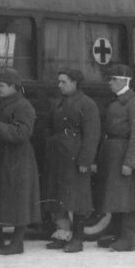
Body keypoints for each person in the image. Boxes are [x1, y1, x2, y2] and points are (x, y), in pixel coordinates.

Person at [42, 68, 100, 254]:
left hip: (75, 157)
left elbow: (92, 135)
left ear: (75, 83)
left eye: (63, 82)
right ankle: (62, 234)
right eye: (59, 81)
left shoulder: (87, 104)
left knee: (78, 198)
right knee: (58, 196)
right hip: (58, 155)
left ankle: (78, 238)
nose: (59, 85)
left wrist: (85, 160)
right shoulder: (59, 102)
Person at [0, 67, 41, 256]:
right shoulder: (5, 103)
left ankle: (17, 243)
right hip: (5, 156)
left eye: (1, 86)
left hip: (18, 158)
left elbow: (22, 133)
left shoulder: (23, 106)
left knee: (19, 200)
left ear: (13, 87)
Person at [95, 64, 135, 252]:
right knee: (117, 198)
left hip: (125, 156)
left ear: (123, 81)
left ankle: (128, 239)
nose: (109, 83)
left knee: (128, 199)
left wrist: (130, 162)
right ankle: (118, 235)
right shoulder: (116, 103)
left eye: (113, 79)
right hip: (114, 156)